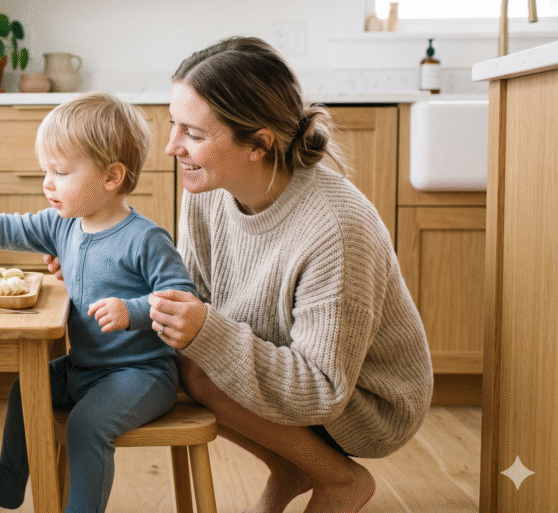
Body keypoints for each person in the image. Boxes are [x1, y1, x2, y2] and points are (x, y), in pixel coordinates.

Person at [46, 37, 433, 513]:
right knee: (184, 359)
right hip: (282, 360)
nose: (171, 148)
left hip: (362, 401)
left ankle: (339, 479)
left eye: (193, 134)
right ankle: (292, 466)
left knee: (197, 363)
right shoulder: (207, 190)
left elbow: (322, 391)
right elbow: (186, 300)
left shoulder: (336, 227)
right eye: (174, 125)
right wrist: (97, 272)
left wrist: (205, 330)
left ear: (259, 143)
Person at [0, 91, 198, 513]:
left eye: (60, 171)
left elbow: (182, 298)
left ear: (111, 177)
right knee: (27, 389)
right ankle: (8, 479)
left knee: (85, 424)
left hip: (142, 374)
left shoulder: (146, 238)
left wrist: (130, 310)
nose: (47, 183)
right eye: (45, 170)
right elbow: (10, 228)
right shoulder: (64, 224)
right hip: (86, 367)